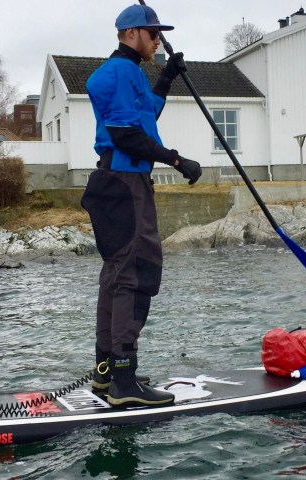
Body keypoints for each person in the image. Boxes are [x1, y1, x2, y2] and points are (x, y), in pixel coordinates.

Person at [81, 4, 202, 408]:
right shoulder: (115, 73)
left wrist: (167, 77)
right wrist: (176, 159)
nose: (157, 41)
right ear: (131, 33)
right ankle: (124, 380)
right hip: (124, 183)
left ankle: (107, 373)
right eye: (153, 34)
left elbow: (146, 113)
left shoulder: (132, 73)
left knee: (118, 275)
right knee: (134, 273)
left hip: (125, 182)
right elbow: (125, 133)